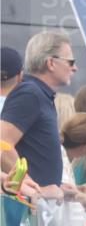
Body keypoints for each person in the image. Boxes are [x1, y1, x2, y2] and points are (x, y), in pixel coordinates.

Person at [0, 31, 77, 194]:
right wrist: (28, 184)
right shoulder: (30, 94)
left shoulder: (38, 95)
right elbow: (2, 144)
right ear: (51, 63)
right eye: (70, 62)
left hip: (34, 208)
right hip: (26, 209)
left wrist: (56, 187)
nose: (74, 68)